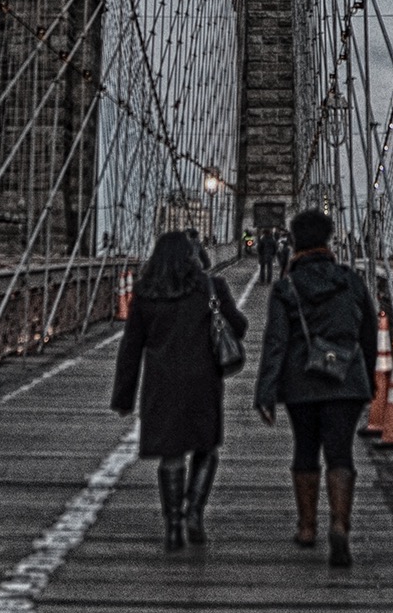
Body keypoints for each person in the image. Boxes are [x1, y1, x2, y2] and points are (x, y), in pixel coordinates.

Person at [252, 208, 378, 568]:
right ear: (328, 239)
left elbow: (276, 341)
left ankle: (307, 527)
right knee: (341, 452)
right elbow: (367, 333)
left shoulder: (286, 286)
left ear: (293, 242)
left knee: (305, 448)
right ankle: (339, 524)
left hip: (301, 380)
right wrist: (364, 378)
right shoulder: (351, 281)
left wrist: (265, 391)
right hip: (345, 378)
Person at [111, 230, 248, 551]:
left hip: (161, 384)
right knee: (205, 447)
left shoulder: (145, 293)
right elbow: (239, 327)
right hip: (203, 382)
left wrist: (123, 397)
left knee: (171, 453)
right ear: (192, 256)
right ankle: (194, 514)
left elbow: (131, 348)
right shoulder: (211, 288)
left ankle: (173, 524)